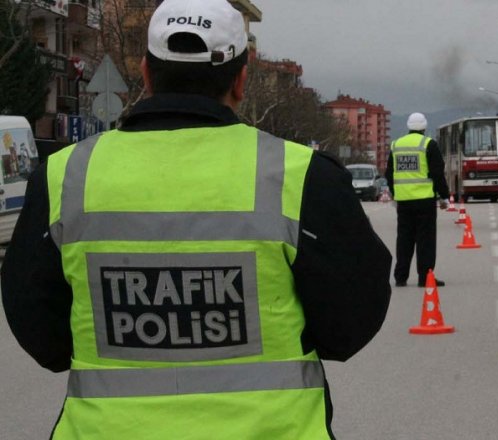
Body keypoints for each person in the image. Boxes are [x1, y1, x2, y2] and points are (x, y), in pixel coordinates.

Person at [0, 0, 391, 438]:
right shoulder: (301, 176)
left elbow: (40, 331)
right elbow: (351, 324)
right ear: (241, 80)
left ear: (146, 75)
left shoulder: (65, 177)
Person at [385, 112, 451, 287]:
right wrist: (444, 196)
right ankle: (425, 277)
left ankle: (400, 277)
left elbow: (388, 174)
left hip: (404, 202)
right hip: (424, 201)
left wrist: (394, 193)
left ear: (408, 126)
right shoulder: (428, 144)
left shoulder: (396, 145)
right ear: (424, 127)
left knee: (404, 239)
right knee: (425, 240)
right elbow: (437, 173)